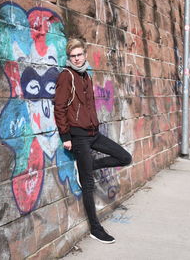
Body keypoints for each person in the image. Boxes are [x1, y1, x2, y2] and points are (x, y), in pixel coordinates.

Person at [54, 38, 132, 244]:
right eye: (73, 56)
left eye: (80, 55)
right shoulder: (66, 76)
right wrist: (65, 136)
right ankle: (95, 229)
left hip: (93, 133)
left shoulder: (86, 75)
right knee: (88, 185)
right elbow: (59, 107)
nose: (77, 59)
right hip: (78, 136)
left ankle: (87, 166)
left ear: (85, 55)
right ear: (69, 57)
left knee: (124, 157)